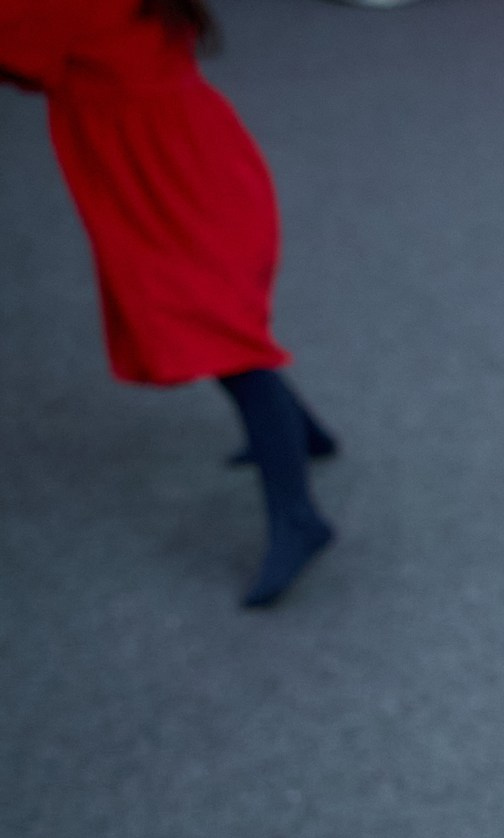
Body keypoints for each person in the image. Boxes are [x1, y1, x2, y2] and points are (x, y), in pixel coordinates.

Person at [0, 0, 336, 607]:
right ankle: (306, 435)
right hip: (193, 160)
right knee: (216, 324)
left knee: (214, 335)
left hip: (167, 183)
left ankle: (297, 517)